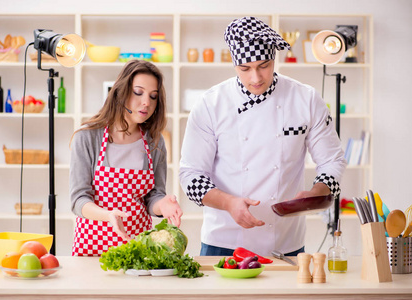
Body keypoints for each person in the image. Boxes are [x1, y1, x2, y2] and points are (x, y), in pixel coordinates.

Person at [179, 16, 346, 257]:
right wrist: (228, 203)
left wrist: (318, 191)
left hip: (286, 242)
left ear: (274, 58)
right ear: (234, 64)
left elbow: (332, 160)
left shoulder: (306, 99)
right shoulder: (210, 104)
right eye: (245, 69)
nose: (255, 78)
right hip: (223, 241)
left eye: (264, 65)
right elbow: (190, 174)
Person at [70, 60, 182, 256]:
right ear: (121, 92)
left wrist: (162, 204)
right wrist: (108, 215)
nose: (146, 102)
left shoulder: (155, 142)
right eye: (138, 92)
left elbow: (152, 197)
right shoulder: (87, 137)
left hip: (138, 250)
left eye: (153, 96)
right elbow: (78, 200)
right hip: (92, 250)